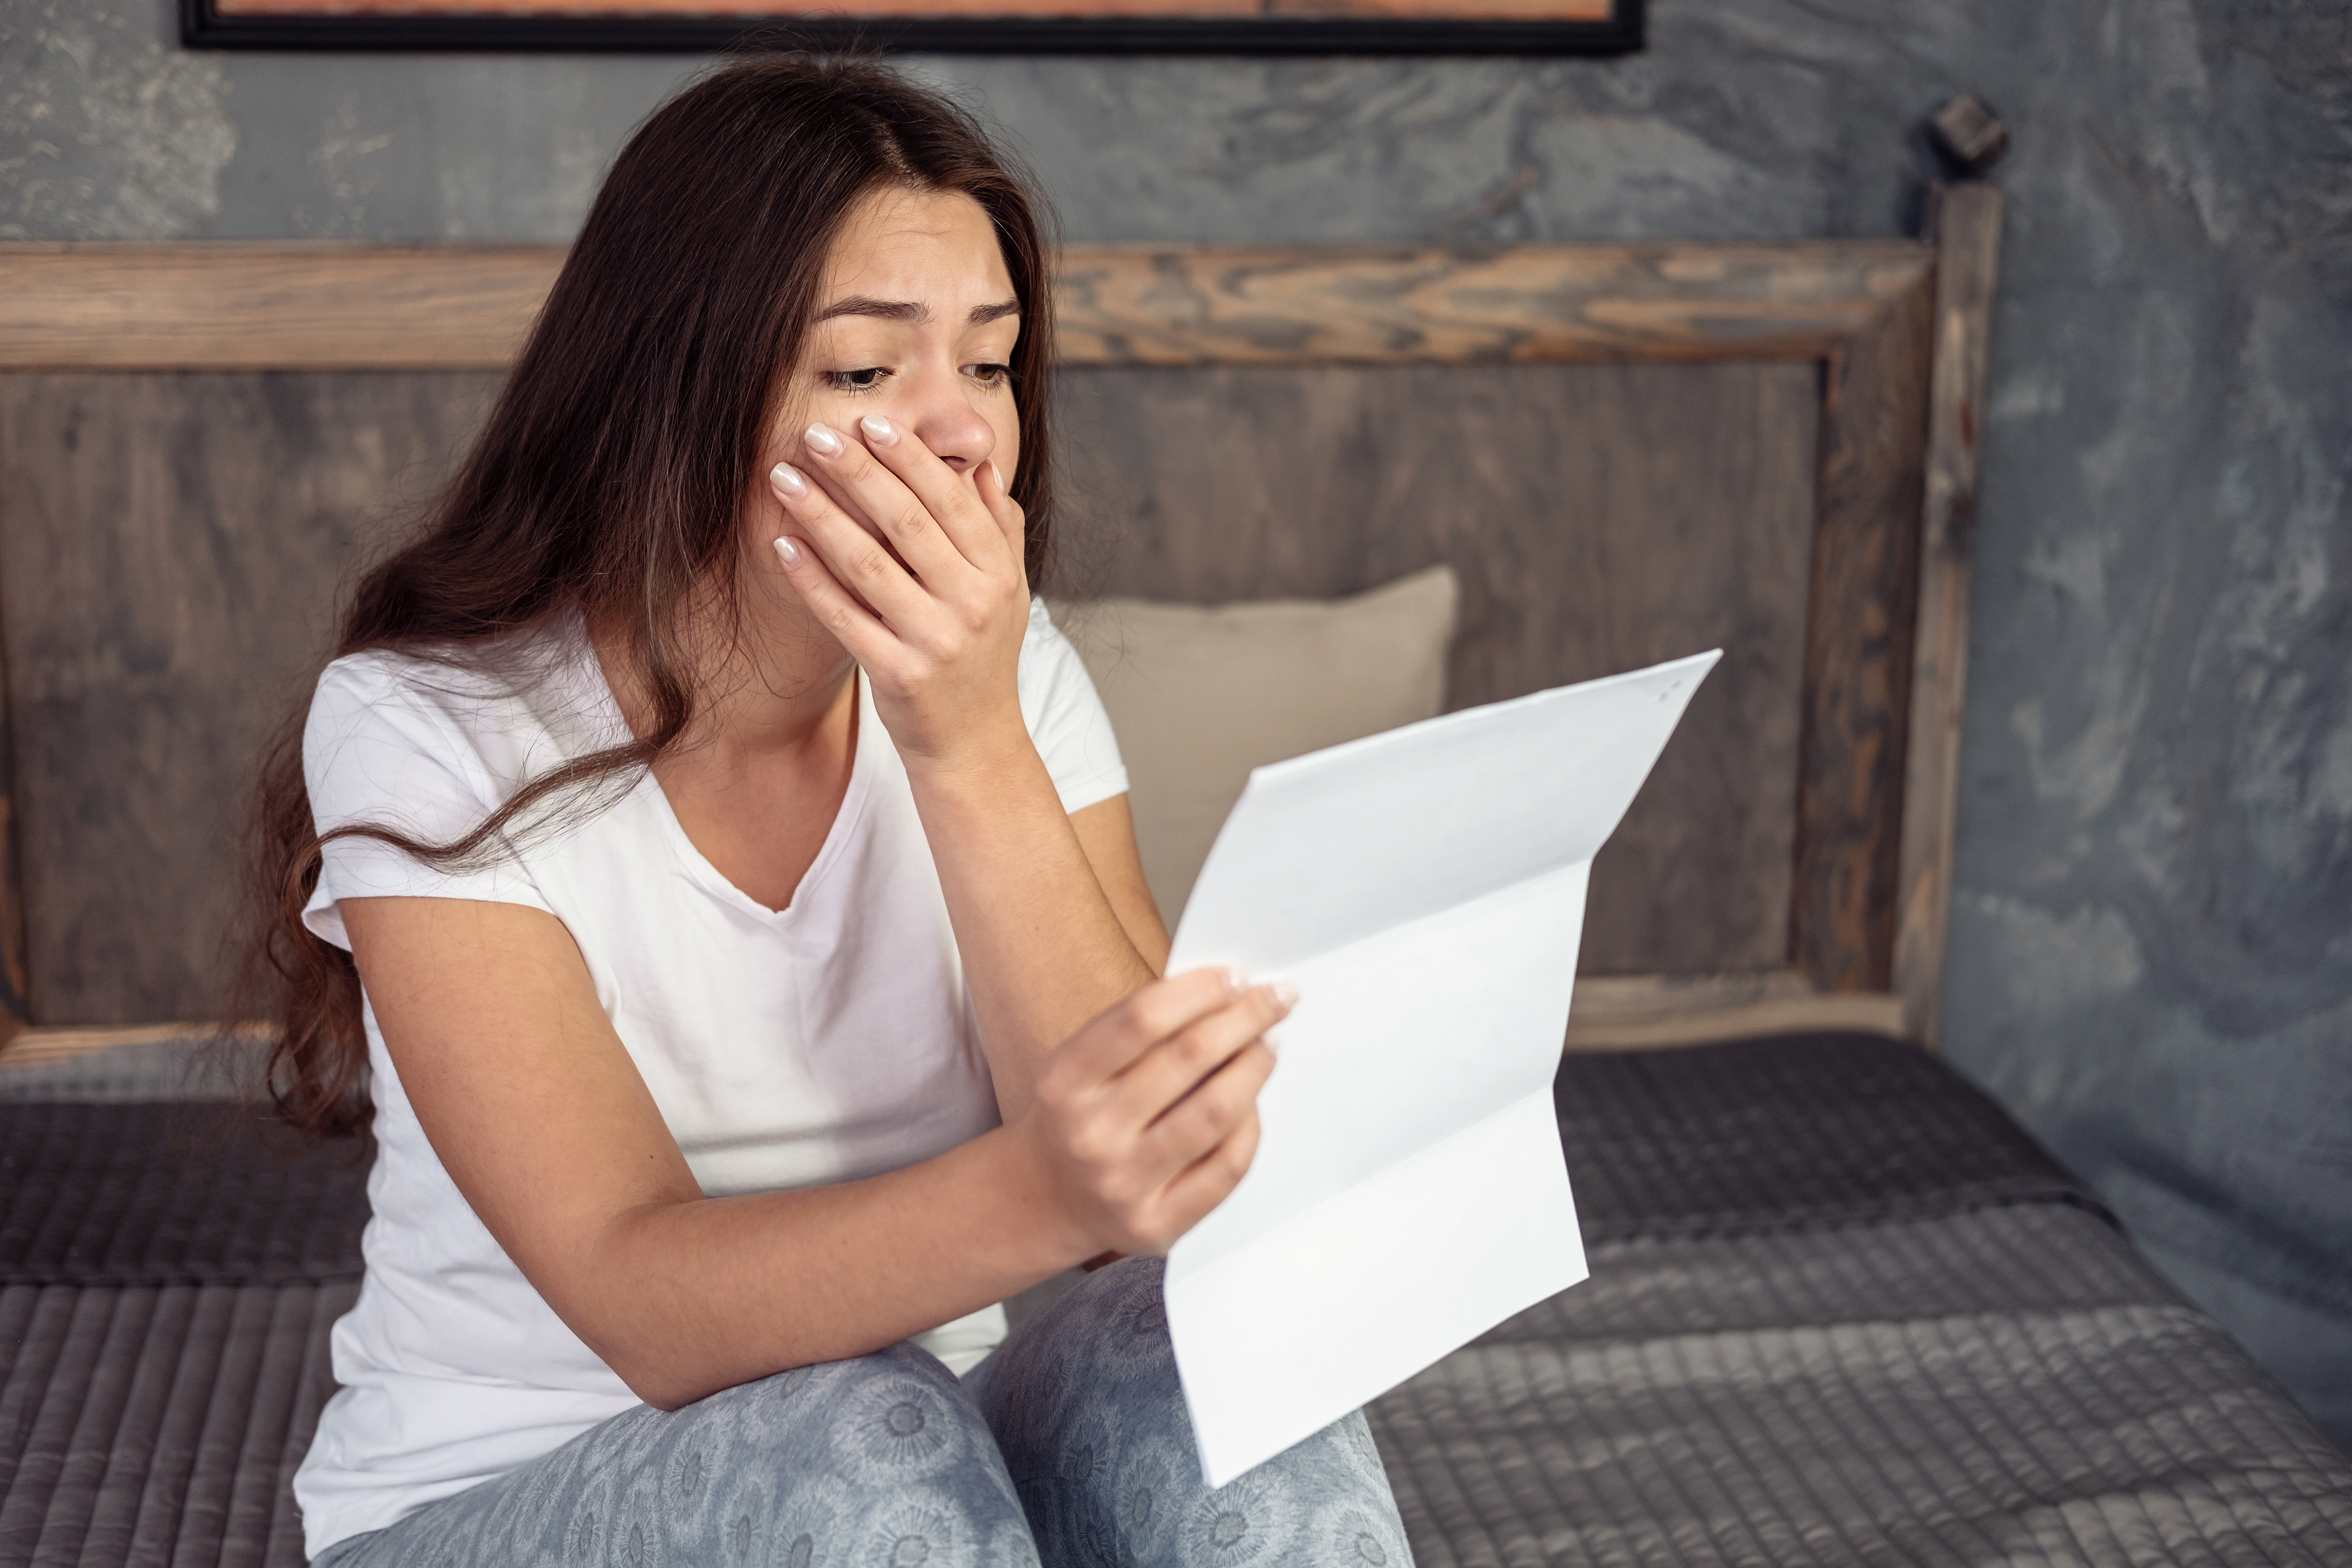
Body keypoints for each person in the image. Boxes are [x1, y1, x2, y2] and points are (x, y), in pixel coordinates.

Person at [236, 51, 1416, 1568]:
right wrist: (1045, 1183)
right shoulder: (427, 722)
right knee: (864, 1429)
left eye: (989, 364)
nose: (962, 435)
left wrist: (966, 740)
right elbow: (641, 1301)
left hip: (933, 1469)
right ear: (679, 392)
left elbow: (1146, 1180)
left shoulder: (1013, 678)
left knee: (1218, 1351)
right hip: (508, 1492)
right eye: (866, 372)